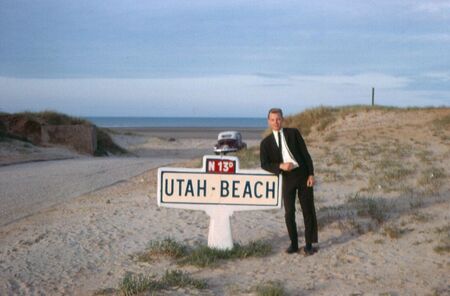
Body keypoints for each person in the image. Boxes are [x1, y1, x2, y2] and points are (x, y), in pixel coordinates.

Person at [260, 108, 318, 255]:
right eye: (272, 120)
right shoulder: (265, 143)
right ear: (268, 121)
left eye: (278, 119)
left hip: (303, 174)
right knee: (289, 213)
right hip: (287, 178)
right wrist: (280, 166)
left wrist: (311, 174)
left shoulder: (293, 133)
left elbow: (306, 154)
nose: (276, 122)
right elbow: (264, 164)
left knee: (308, 210)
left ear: (282, 119)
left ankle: (309, 245)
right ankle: (293, 244)